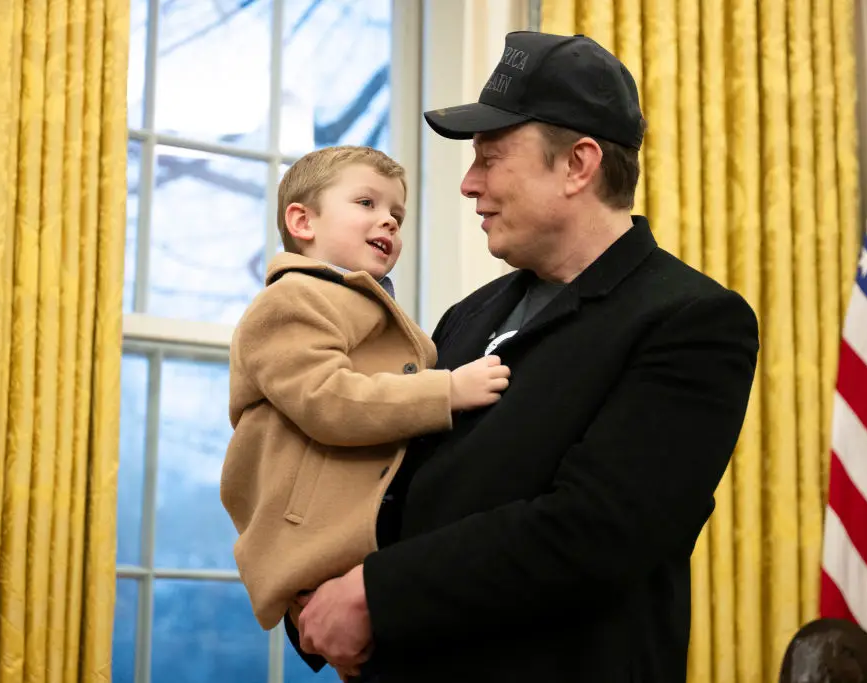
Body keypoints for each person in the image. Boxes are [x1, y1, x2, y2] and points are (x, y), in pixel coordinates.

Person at [290, 31, 761, 683]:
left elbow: (595, 532)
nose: (468, 183)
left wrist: (375, 593)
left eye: (491, 157)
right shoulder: (467, 317)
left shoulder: (692, 321)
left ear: (577, 165)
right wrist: (315, 592)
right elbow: (393, 487)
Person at [218, 145, 511, 677]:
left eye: (396, 214)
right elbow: (327, 400)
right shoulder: (289, 302)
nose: (388, 221)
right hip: (311, 534)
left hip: (364, 542)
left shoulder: (365, 305)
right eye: (366, 202)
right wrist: (443, 392)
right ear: (302, 220)